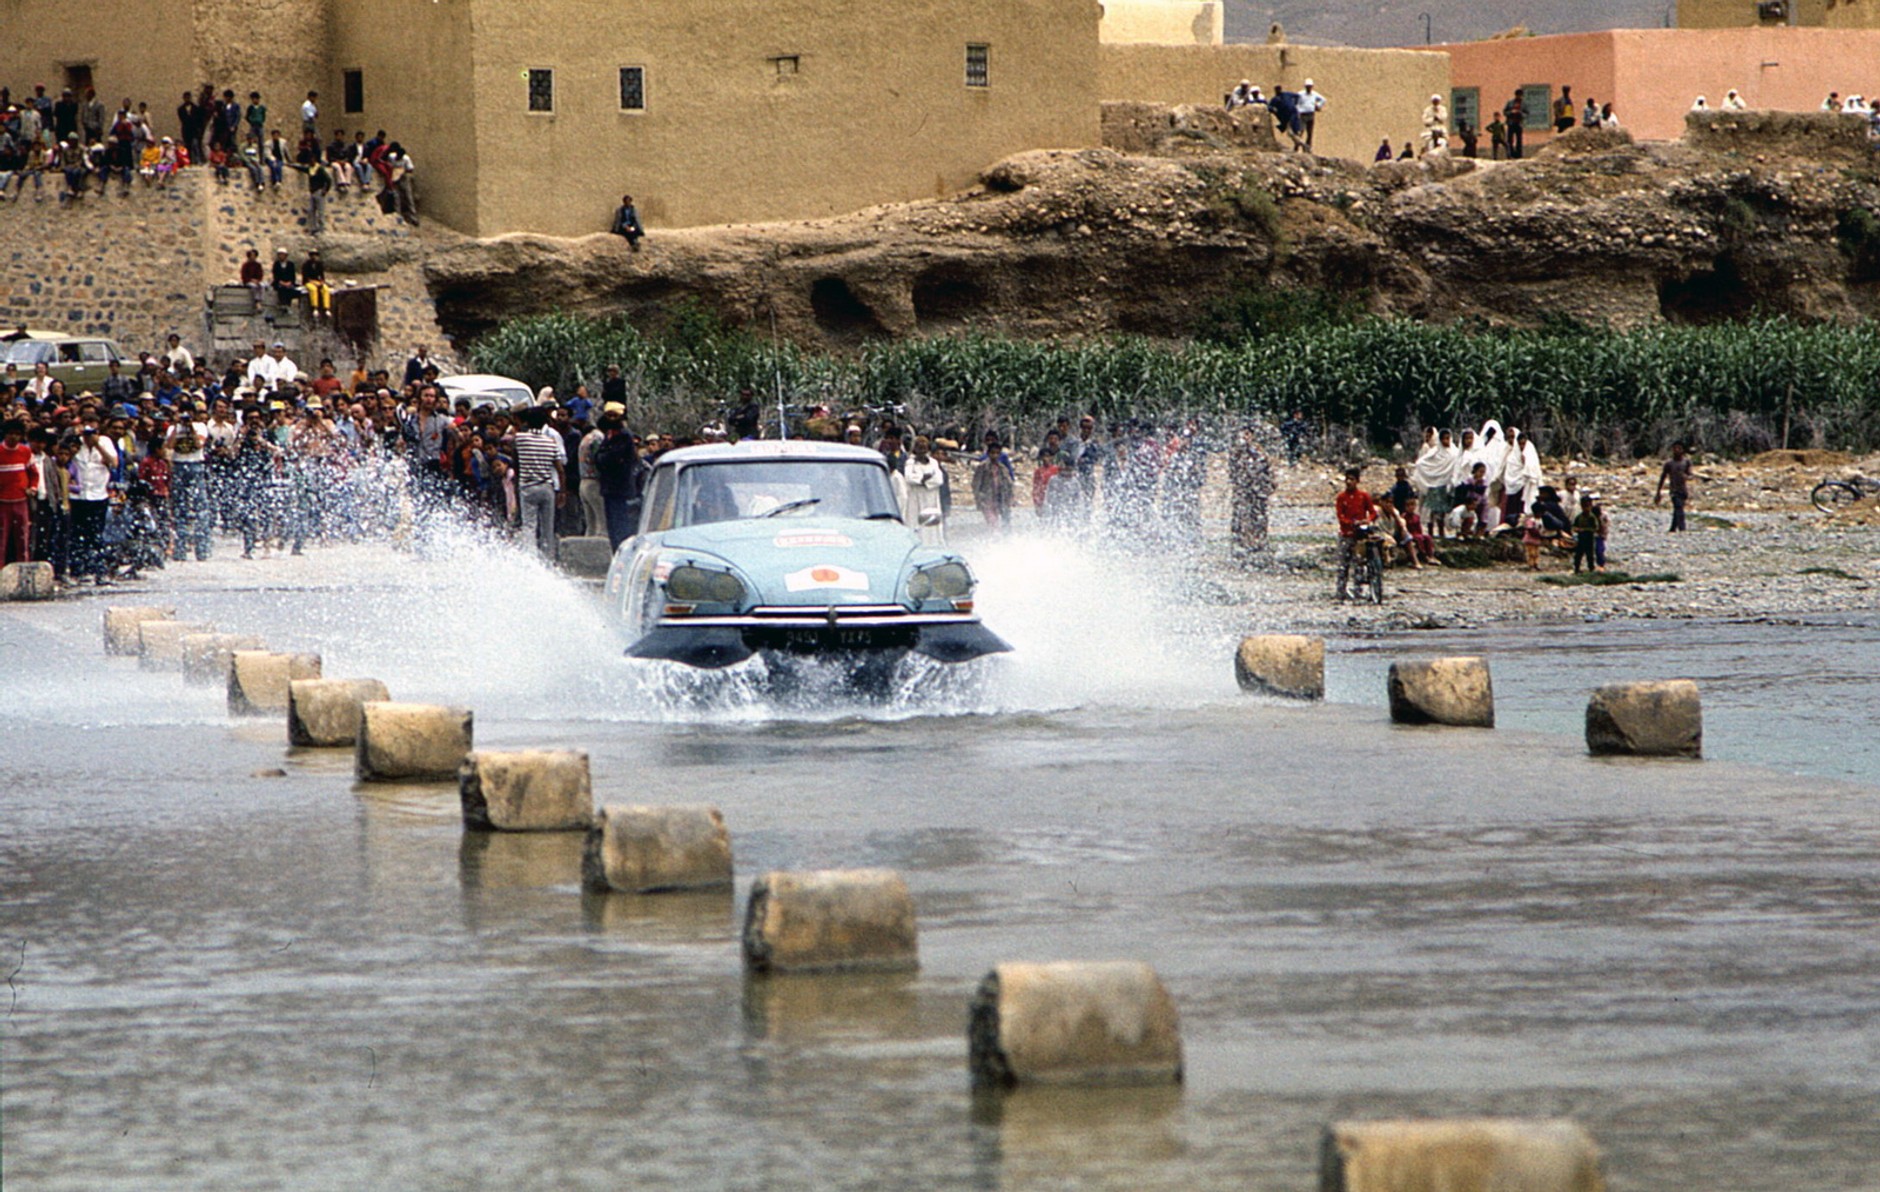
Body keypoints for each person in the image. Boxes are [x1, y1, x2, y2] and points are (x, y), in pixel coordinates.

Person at [513, 405, 565, 560]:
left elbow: (515, 459)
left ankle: (530, 559)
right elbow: (560, 469)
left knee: (529, 525)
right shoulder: (550, 442)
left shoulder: (520, 439)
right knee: (547, 528)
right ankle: (548, 560)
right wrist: (562, 491)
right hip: (547, 487)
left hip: (528, 487)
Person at [70, 423, 117, 585]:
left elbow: (113, 463)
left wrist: (97, 444)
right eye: (87, 434)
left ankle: (99, 570)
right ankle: (79, 571)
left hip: (98, 495)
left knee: (96, 535)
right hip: (78, 497)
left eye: (92, 433)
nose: (89, 437)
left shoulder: (105, 442)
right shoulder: (77, 444)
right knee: (78, 535)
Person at [1228, 427, 1273, 560]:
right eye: (1244, 434)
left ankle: (1259, 544)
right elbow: (1233, 471)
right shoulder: (1237, 452)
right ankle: (1239, 545)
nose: (1246, 437)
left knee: (1259, 517)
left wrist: (1268, 486)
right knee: (1240, 517)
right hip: (1242, 490)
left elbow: (1267, 470)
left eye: (1248, 434)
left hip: (1258, 491)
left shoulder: (1260, 452)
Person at [1334, 468, 1379, 601]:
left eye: (1352, 479)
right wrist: (1350, 522)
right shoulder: (1341, 497)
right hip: (1346, 534)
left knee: (1359, 564)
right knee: (1343, 565)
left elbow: (1373, 512)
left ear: (1357, 481)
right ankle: (1340, 592)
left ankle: (1357, 591)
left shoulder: (1363, 496)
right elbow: (1340, 516)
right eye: (1347, 479)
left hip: (1359, 535)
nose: (1349, 482)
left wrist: (1367, 520)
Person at [0, 417, 36, 565]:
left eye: (17, 434)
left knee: (23, 539)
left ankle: (24, 570)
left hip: (21, 502)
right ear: (5, 434)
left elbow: (34, 473)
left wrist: (32, 488)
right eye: (11, 433)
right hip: (2, 503)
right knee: (1, 540)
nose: (14, 437)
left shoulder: (25, 451)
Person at [1412, 427, 1456, 540]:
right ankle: (1431, 531)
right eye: (1444, 439)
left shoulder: (1454, 451)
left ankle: (1441, 531)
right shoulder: (1434, 451)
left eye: (1448, 438)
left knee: (1442, 511)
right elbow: (1421, 462)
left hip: (1445, 485)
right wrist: (1431, 476)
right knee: (1432, 509)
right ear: (1440, 440)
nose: (1446, 441)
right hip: (1435, 485)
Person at [902, 436, 945, 546]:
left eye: (924, 448)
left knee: (931, 524)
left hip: (930, 497)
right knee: (915, 522)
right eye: (919, 448)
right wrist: (922, 479)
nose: (922, 451)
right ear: (915, 449)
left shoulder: (933, 463)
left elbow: (939, 479)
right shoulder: (910, 463)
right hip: (916, 497)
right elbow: (909, 477)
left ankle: (933, 544)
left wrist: (925, 482)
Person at [972, 431, 1014, 530]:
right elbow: (976, 483)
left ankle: (1005, 538)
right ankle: (994, 539)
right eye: (992, 453)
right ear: (988, 453)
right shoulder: (982, 467)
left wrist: (1010, 497)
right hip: (987, 498)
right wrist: (979, 498)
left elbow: (1009, 482)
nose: (994, 456)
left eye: (997, 453)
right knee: (992, 522)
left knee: (1006, 520)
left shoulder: (1002, 468)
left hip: (1001, 496)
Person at [1656, 442, 1692, 531]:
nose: (1676, 450)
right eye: (1675, 448)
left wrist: (1687, 477)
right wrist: (1658, 492)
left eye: (1679, 448)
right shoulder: (1669, 463)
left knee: (1678, 509)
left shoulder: (1686, 462)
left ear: (1683, 450)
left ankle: (1673, 528)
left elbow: (1691, 474)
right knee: (1678, 507)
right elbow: (1662, 477)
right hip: (1673, 489)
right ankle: (1682, 528)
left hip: (1683, 490)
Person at [1571, 494, 1599, 573]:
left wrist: (1584, 530)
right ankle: (1576, 569)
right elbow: (1574, 526)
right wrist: (1576, 529)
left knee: (1590, 555)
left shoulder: (1592, 517)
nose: (1586, 508)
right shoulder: (1579, 517)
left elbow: (1595, 528)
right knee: (1578, 555)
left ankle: (1591, 569)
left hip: (1589, 539)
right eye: (1584, 506)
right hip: (1581, 539)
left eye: (1588, 506)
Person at [1297, 79, 1326, 152]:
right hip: (1303, 114)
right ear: (1305, 86)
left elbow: (1323, 99)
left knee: (1310, 133)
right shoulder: (1300, 94)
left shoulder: (1314, 94)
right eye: (1307, 86)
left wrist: (1318, 106)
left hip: (1311, 114)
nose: (1309, 88)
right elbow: (1295, 102)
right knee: (1300, 131)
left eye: (1310, 87)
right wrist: (1298, 109)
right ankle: (1296, 147)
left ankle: (1307, 148)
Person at [301, 248, 331, 317]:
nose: (314, 257)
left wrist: (322, 282)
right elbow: (305, 276)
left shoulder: (319, 264)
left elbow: (322, 275)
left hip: (317, 281)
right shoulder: (306, 265)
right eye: (312, 255)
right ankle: (315, 307)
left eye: (315, 255)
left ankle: (326, 308)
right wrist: (312, 282)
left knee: (325, 289)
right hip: (308, 282)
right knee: (313, 289)